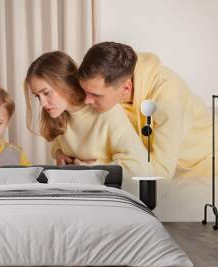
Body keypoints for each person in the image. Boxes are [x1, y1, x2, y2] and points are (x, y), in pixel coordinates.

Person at [77, 41, 218, 178]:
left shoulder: (167, 96)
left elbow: (160, 172)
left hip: (208, 167)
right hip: (168, 169)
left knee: (167, 212)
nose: (87, 100)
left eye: (95, 95)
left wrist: (99, 170)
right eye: (85, 92)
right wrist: (62, 152)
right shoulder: (111, 84)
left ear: (126, 88)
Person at [24, 51, 152, 178]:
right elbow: (60, 142)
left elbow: (140, 168)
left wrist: (96, 169)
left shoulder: (108, 113)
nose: (42, 103)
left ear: (64, 84)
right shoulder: (60, 115)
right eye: (37, 96)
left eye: (46, 93)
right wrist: (57, 153)